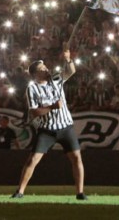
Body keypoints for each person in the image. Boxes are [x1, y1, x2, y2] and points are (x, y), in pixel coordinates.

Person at [12, 49, 87, 201]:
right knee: (33, 160)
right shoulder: (32, 88)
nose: (46, 69)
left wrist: (68, 59)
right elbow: (34, 112)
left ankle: (80, 193)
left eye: (45, 67)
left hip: (66, 127)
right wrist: (52, 107)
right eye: (42, 69)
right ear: (35, 74)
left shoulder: (56, 79)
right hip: (47, 130)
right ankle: (20, 191)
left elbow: (71, 71)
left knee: (76, 158)